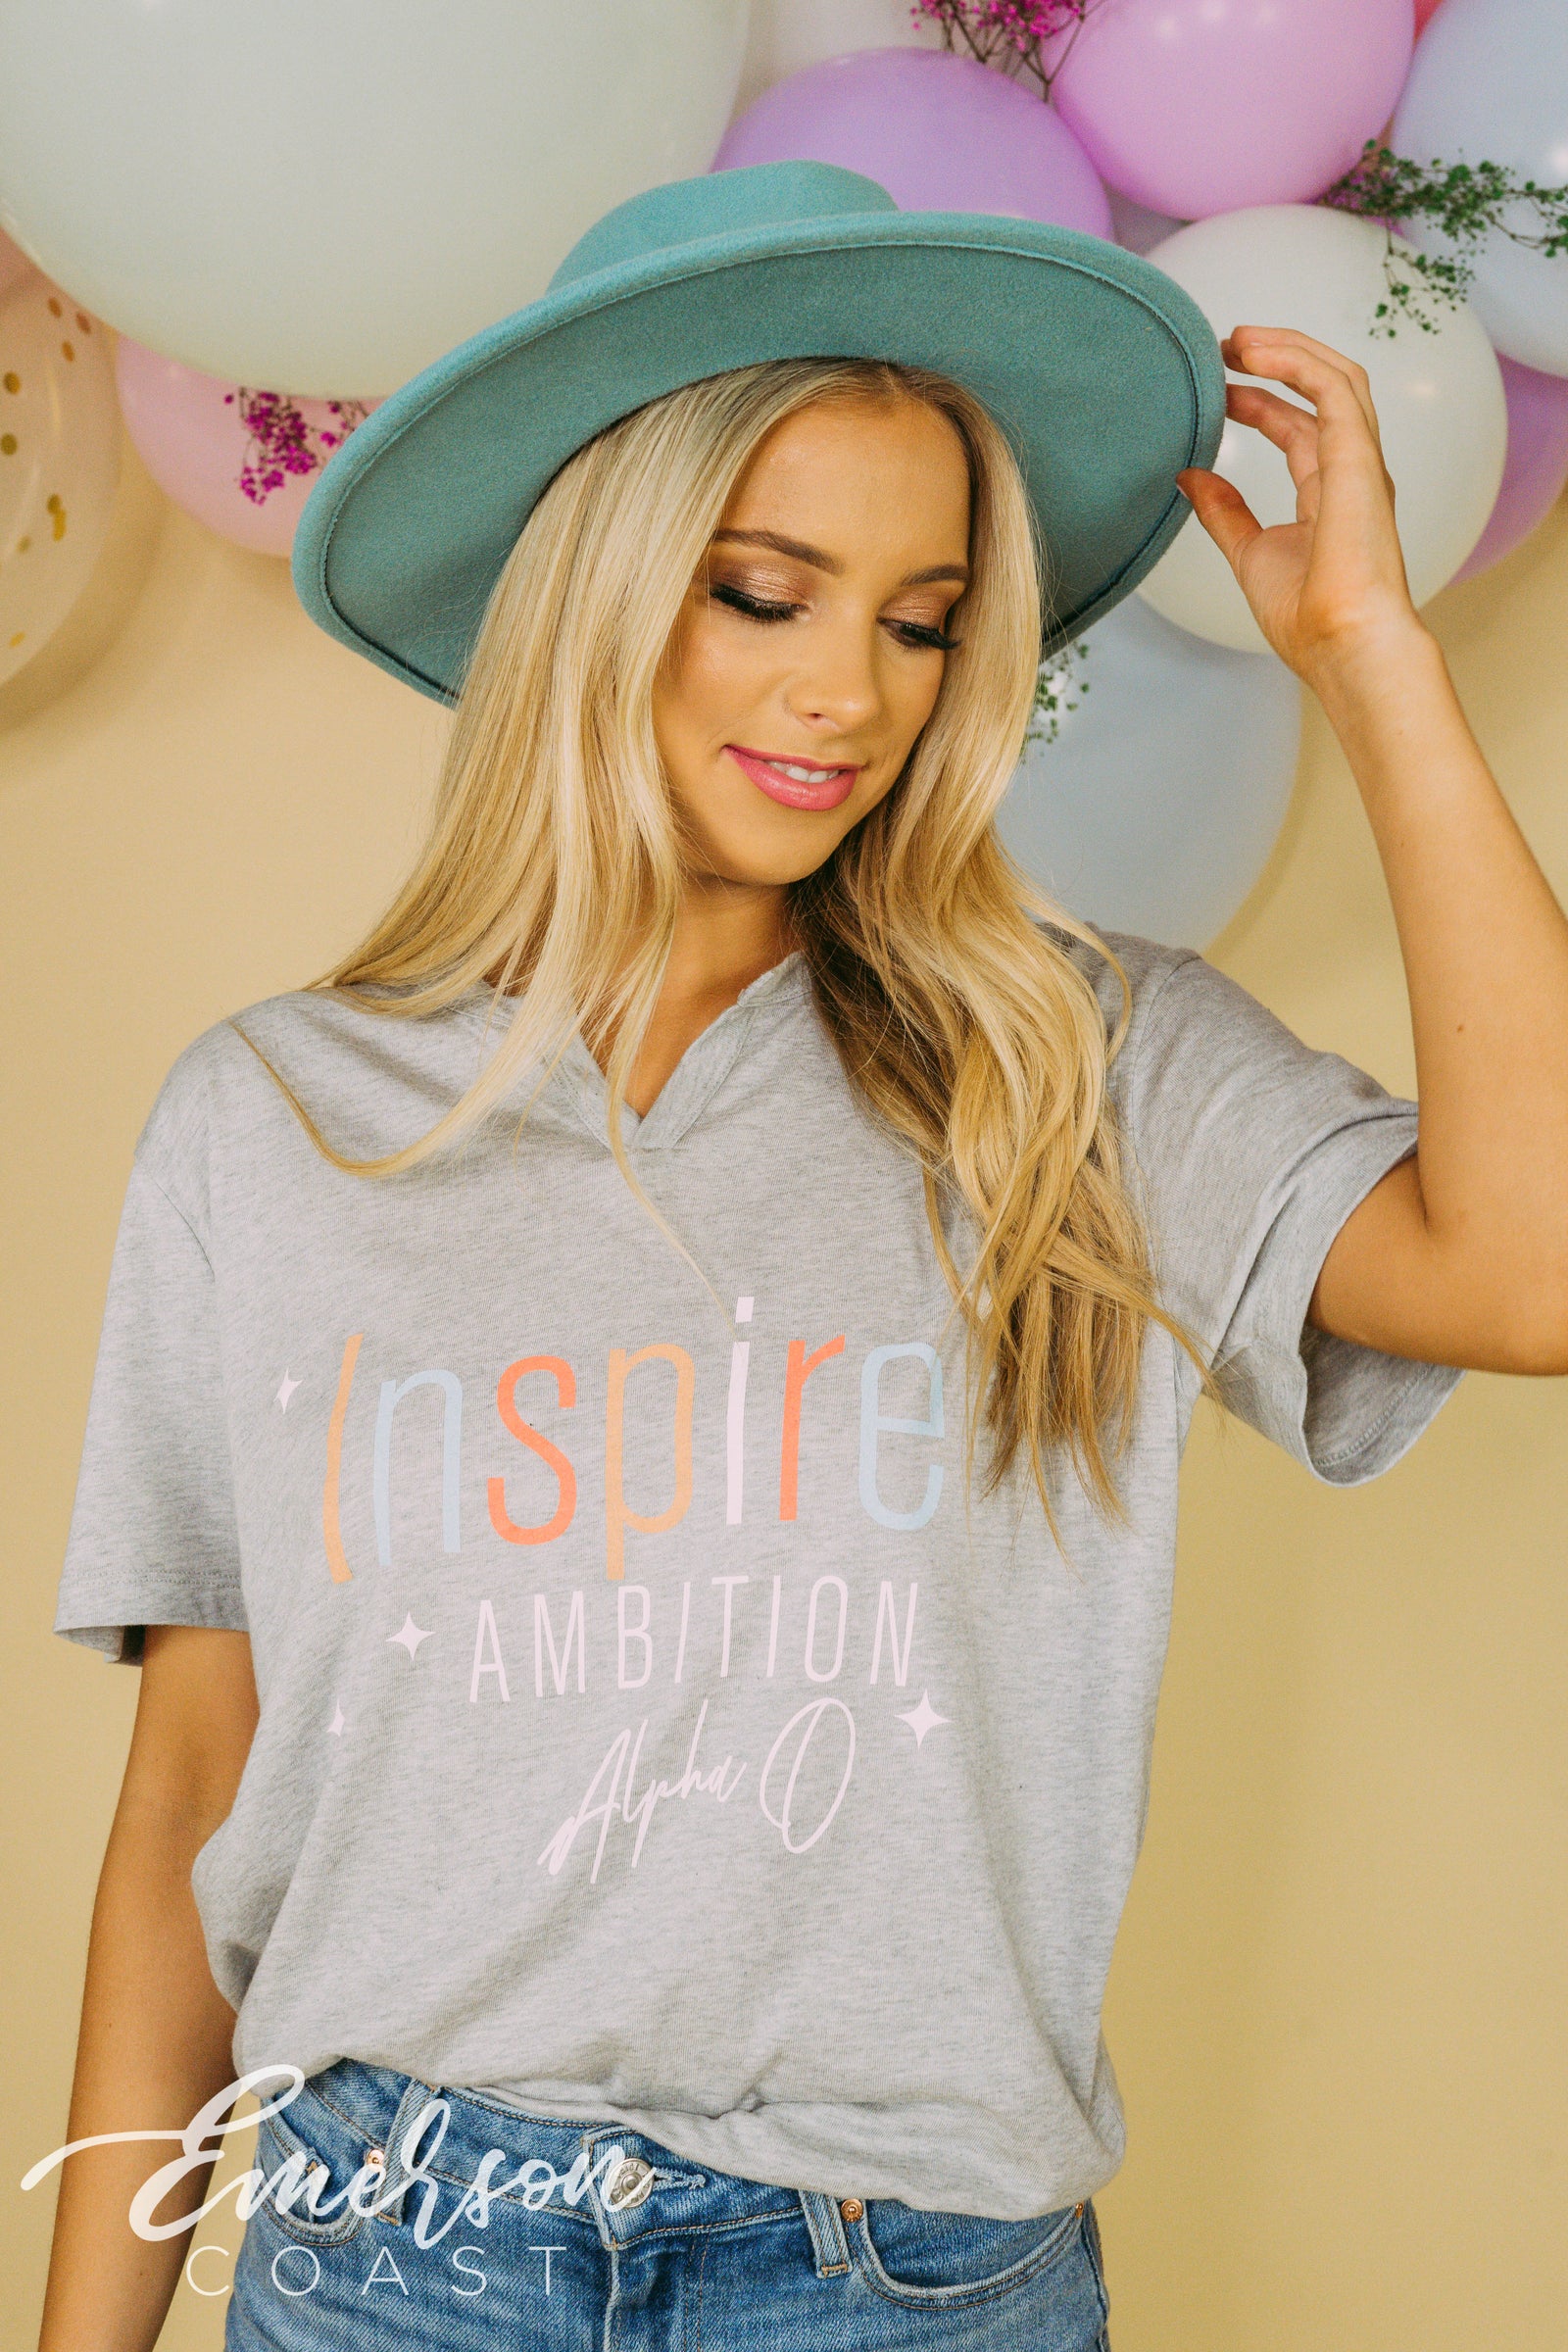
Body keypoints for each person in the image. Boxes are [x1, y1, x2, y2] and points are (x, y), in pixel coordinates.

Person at [37, 163, 1568, 2351]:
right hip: (392, 2265)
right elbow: (190, 1792)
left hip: (898, 2284)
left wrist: (1371, 660)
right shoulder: (271, 1120)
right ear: (594, 589)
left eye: (920, 619)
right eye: (765, 592)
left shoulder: (1074, 1065)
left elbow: (1530, 1271)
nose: (849, 690)